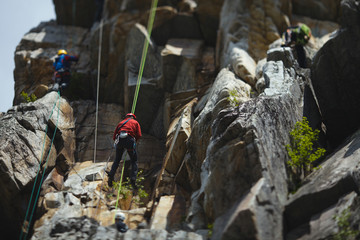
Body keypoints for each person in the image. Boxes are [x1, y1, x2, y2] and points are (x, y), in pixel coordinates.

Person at [107, 113, 142, 189]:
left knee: (117, 159)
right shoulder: (135, 122)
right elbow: (139, 135)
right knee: (134, 161)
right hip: (129, 140)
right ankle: (133, 179)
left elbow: (114, 136)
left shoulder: (121, 123)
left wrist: (119, 144)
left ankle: (111, 175)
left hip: (120, 140)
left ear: (126, 117)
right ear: (133, 117)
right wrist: (134, 141)